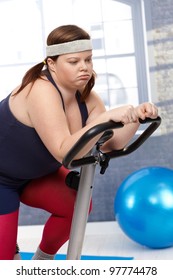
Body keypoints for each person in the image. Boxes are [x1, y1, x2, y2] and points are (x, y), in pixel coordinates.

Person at [0, 24, 158, 260]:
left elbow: (110, 143)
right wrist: (105, 117)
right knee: (5, 265)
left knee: (78, 206)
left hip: (35, 176)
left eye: (88, 60)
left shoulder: (87, 97)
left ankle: (42, 260)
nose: (84, 67)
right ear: (51, 64)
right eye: (74, 61)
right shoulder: (40, 90)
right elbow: (64, 152)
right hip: (2, 180)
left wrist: (135, 117)